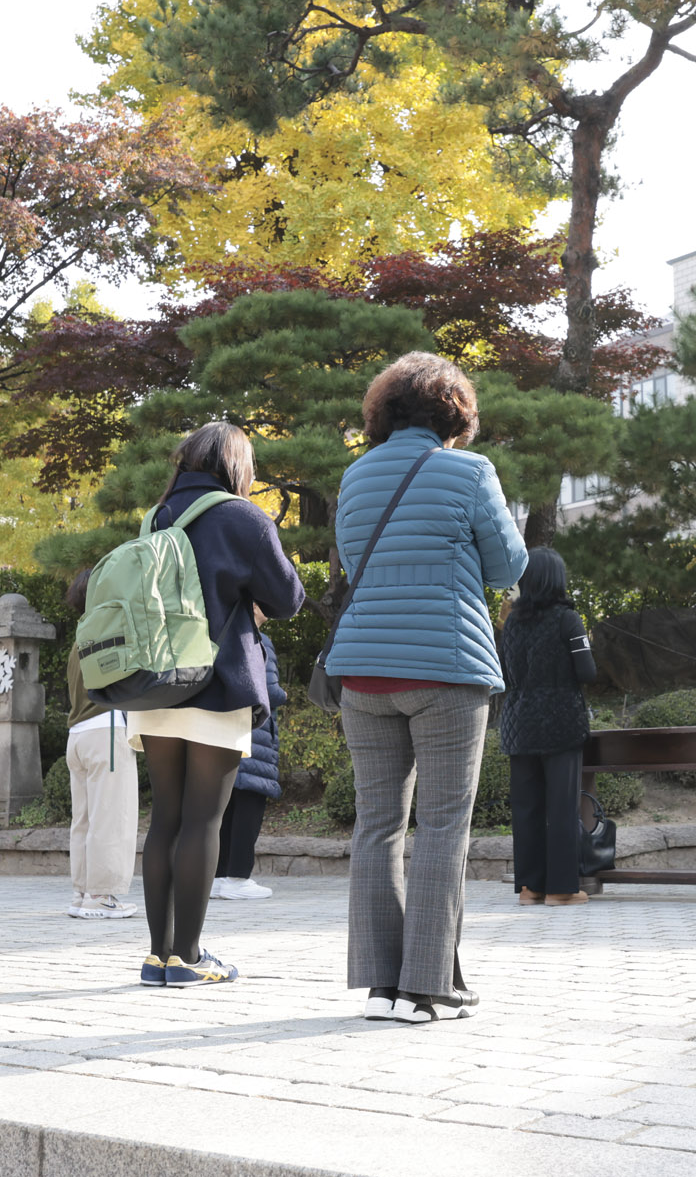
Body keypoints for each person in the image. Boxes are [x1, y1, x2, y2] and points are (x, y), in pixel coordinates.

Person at [328, 352, 527, 1024]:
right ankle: (427, 985)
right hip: (444, 666)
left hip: (363, 672)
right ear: (455, 413)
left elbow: (356, 561)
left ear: (383, 412)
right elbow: (507, 564)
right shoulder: (470, 471)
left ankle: (383, 984)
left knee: (377, 826)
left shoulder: (355, 477)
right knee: (443, 825)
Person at [129, 422, 304, 988]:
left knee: (166, 820)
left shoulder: (155, 518)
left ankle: (158, 956)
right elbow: (289, 600)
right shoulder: (241, 516)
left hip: (156, 684)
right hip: (217, 683)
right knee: (205, 819)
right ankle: (190, 955)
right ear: (236, 466)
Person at [497, 548, 598, 908]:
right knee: (561, 806)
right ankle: (561, 889)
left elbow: (508, 676)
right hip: (560, 722)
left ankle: (531, 888)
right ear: (557, 579)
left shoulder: (511, 623)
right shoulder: (567, 620)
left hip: (518, 723)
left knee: (527, 808)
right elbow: (587, 671)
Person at [62, 569, 140, 921]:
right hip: (105, 730)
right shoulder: (109, 631)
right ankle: (101, 895)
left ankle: (82, 893)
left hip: (77, 735)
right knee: (112, 818)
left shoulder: (80, 636)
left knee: (85, 820)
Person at [213, 613, 284, 901]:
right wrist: (284, 694)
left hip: (222, 735)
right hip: (255, 737)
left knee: (224, 809)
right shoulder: (258, 640)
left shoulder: (216, 635)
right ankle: (238, 878)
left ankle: (217, 877)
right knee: (249, 806)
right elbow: (268, 691)